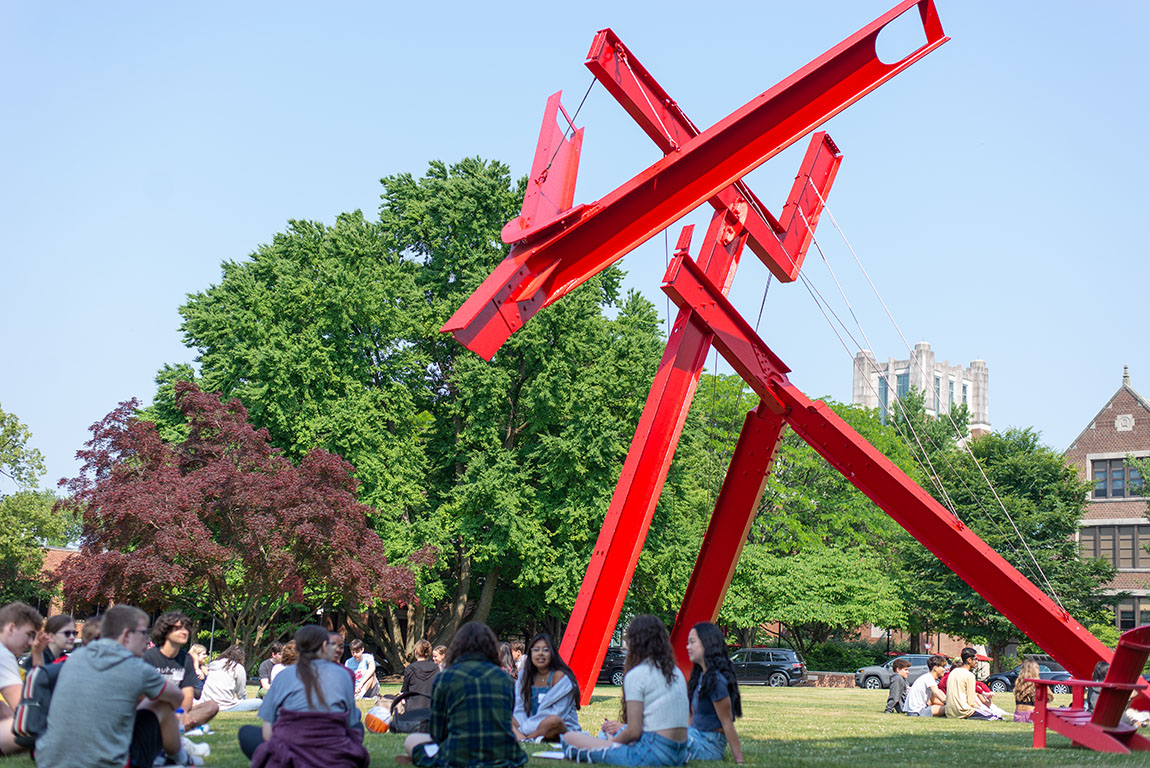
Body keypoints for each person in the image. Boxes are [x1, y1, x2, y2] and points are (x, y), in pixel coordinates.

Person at [33, 604, 191, 768]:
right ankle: (181, 759)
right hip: (107, 763)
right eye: (143, 633)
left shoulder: (75, 657)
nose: (147, 639)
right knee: (161, 703)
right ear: (126, 635)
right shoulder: (137, 668)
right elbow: (177, 698)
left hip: (50, 761)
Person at [560, 615, 688, 765]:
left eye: (627, 639)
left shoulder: (637, 674)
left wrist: (613, 741)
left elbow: (634, 732)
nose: (624, 646)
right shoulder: (675, 672)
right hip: (679, 752)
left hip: (652, 752)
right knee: (607, 733)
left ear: (636, 642)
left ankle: (605, 745)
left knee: (569, 738)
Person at [238, 624, 368, 767]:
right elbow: (350, 723)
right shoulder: (343, 674)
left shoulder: (283, 676)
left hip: (291, 752)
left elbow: (267, 732)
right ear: (325, 646)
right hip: (333, 754)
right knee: (357, 723)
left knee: (246, 733)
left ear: (297, 647)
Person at [402, 622, 527, 768]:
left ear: (458, 646)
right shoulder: (505, 679)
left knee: (412, 740)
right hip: (503, 756)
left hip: (458, 756)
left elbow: (438, 732)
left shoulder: (445, 677)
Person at [143, 611, 219, 732]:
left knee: (211, 706)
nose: (184, 632)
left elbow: (188, 695)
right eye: (178, 628)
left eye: (186, 628)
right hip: (151, 709)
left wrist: (181, 712)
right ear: (165, 631)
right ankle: (178, 727)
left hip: (176, 710)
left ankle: (176, 726)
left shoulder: (186, 659)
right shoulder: (147, 658)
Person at [685, 622, 743, 764]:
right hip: (693, 736)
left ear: (707, 644)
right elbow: (691, 719)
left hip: (709, 746)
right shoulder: (700, 677)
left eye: (692, 642)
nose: (688, 647)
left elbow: (727, 723)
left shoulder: (716, 682)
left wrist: (739, 761)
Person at [512, 632, 581, 742]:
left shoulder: (561, 678)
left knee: (553, 721)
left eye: (545, 650)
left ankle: (526, 739)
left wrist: (523, 730)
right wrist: (519, 726)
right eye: (536, 650)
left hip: (558, 729)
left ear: (552, 653)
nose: (540, 653)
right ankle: (525, 739)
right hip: (527, 727)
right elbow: (519, 708)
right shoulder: (524, 676)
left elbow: (556, 713)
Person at [0, 601, 42, 757]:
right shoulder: (3, 655)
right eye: (29, 634)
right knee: (42, 724)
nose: (31, 643)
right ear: (11, 628)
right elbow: (24, 712)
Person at [201, 643, 262, 711]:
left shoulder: (213, 665)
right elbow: (241, 693)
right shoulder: (238, 667)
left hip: (205, 703)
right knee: (259, 702)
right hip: (225, 706)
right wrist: (243, 701)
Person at [946, 647, 993, 720]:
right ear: (969, 660)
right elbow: (971, 701)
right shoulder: (969, 675)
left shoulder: (953, 672)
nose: (977, 661)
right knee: (994, 717)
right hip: (964, 711)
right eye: (975, 659)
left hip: (949, 712)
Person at [401, 639, 440, 712]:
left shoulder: (410, 669)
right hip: (431, 709)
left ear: (416, 651)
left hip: (413, 709)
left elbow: (404, 690)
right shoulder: (436, 668)